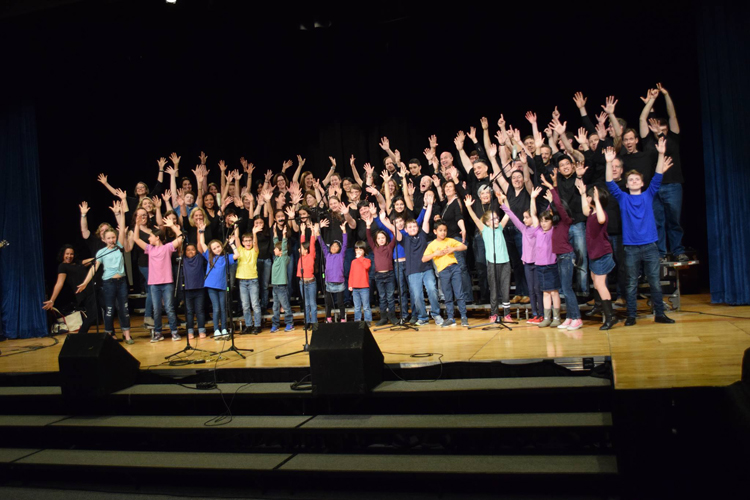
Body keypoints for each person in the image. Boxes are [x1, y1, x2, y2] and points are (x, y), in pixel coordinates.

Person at [605, 142, 676, 326]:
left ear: (642, 183)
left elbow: (658, 176)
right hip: (631, 248)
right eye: (631, 180)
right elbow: (609, 182)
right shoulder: (623, 197)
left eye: (637, 180)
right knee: (630, 284)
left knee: (655, 282)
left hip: (650, 246)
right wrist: (608, 163)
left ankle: (659, 314)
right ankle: (631, 316)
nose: (634, 182)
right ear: (627, 185)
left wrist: (661, 154)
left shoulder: (648, 194)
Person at [639, 83, 688, 262]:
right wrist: (651, 101)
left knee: (674, 220)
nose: (659, 130)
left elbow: (672, 115)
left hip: (673, 184)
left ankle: (677, 250)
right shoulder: (648, 142)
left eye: (663, 128)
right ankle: (660, 253)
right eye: (657, 128)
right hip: (654, 186)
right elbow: (642, 120)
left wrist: (666, 95)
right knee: (657, 221)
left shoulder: (672, 139)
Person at [76, 202, 133, 343]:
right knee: (108, 310)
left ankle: (127, 335)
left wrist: (119, 214)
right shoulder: (100, 250)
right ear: (102, 237)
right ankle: (109, 335)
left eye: (112, 236)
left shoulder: (118, 246)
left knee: (124, 310)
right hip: (107, 283)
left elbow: (122, 230)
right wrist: (84, 283)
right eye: (107, 236)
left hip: (121, 282)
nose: (111, 239)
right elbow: (93, 268)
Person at [541, 173, 583, 331]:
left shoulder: (566, 221)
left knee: (567, 289)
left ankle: (577, 318)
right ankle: (570, 317)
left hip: (566, 256)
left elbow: (558, 206)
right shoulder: (556, 225)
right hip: (560, 257)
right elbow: (553, 208)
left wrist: (552, 188)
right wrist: (553, 194)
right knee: (564, 289)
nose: (552, 212)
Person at [395, 192, 444, 326]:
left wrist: (429, 205)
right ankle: (422, 317)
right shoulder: (404, 239)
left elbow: (426, 219)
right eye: (410, 227)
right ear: (406, 229)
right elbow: (393, 229)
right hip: (413, 271)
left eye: (414, 226)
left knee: (432, 290)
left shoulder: (422, 235)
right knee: (416, 295)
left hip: (426, 269)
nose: (412, 228)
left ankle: (436, 314)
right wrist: (384, 220)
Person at [133, 217, 183, 342]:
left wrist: (172, 226)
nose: (149, 238)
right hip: (154, 284)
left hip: (167, 283)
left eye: (150, 236)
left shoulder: (167, 248)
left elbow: (181, 238)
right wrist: (137, 226)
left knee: (169, 308)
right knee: (156, 309)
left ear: (157, 237)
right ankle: (158, 333)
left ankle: (174, 332)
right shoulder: (149, 249)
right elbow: (135, 239)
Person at [577, 179, 618, 330]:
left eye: (590, 197)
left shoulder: (601, 213)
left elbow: (601, 219)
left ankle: (610, 316)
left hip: (602, 253)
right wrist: (582, 194)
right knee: (596, 281)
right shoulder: (591, 213)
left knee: (600, 284)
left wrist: (596, 200)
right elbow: (584, 210)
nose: (588, 199)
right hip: (594, 254)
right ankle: (602, 308)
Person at [465, 194, 511, 323]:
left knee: (505, 288)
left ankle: (507, 314)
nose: (496, 221)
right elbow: (474, 218)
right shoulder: (484, 230)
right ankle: (494, 313)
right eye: (492, 219)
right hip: (492, 263)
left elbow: (508, 213)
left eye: (496, 218)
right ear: (486, 222)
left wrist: (504, 200)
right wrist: (469, 207)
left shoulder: (500, 227)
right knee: (494, 290)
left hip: (505, 262)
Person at [500, 191, 543, 324]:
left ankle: (541, 314)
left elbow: (534, 214)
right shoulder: (524, 229)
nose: (524, 219)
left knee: (537, 289)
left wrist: (532, 198)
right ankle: (535, 314)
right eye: (523, 217)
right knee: (531, 290)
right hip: (527, 264)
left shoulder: (537, 229)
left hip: (537, 263)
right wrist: (503, 204)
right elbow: (512, 217)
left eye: (526, 217)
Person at [422, 221, 469, 327]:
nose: (443, 233)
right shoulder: (432, 245)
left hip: (454, 268)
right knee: (447, 295)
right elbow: (424, 259)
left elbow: (464, 247)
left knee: (459, 293)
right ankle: (450, 318)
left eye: (444, 230)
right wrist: (435, 254)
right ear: (435, 232)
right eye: (440, 230)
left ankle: (463, 317)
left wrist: (454, 248)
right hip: (443, 271)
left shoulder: (450, 241)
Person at [43, 245, 98, 334]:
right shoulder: (63, 266)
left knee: (95, 314)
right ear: (63, 255)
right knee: (93, 316)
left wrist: (101, 255)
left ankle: (82, 335)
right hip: (83, 293)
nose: (69, 256)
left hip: (92, 291)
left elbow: (93, 260)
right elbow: (59, 283)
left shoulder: (78, 263)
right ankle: (80, 335)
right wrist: (52, 300)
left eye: (71, 254)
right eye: (67, 254)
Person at [197, 217, 237, 339]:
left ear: (221, 246)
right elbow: (203, 244)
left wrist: (232, 244)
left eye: (218, 247)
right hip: (211, 286)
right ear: (211, 250)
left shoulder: (226, 257)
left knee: (223, 308)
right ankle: (216, 330)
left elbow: (237, 255)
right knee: (216, 308)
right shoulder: (209, 257)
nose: (217, 249)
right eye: (214, 248)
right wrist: (201, 232)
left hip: (223, 285)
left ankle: (224, 328)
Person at [528, 188, 562, 328]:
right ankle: (547, 317)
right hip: (540, 265)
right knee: (545, 293)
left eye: (546, 221)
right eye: (542, 221)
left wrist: (551, 202)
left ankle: (557, 317)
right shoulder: (538, 231)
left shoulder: (553, 230)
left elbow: (554, 213)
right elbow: (533, 215)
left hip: (551, 265)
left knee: (553, 291)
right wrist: (532, 198)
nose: (543, 223)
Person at [366, 211, 399, 326]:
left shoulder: (389, 247)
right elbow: (369, 237)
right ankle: (383, 318)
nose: (381, 239)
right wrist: (368, 226)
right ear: (376, 240)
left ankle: (392, 317)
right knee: (382, 297)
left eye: (383, 237)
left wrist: (388, 224)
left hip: (389, 275)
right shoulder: (374, 248)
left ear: (386, 239)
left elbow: (395, 236)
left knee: (390, 297)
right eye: (379, 238)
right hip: (379, 276)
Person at [318, 219, 348, 323]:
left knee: (340, 302)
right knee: (328, 303)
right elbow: (321, 243)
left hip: (339, 282)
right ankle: (328, 318)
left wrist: (344, 231)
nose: (334, 247)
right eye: (332, 245)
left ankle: (343, 318)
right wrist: (318, 230)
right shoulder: (327, 255)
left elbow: (345, 245)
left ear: (339, 249)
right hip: (329, 282)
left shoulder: (341, 256)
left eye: (336, 246)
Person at [233, 224, 262, 334]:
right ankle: (249, 325)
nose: (248, 242)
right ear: (243, 242)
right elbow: (236, 238)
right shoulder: (240, 250)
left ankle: (257, 325)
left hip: (253, 280)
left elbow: (255, 244)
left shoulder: (254, 251)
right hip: (242, 280)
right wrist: (236, 225)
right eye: (245, 241)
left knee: (255, 304)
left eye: (249, 240)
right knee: (245, 305)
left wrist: (254, 233)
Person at [270, 225, 294, 333]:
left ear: (280, 251)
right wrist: (275, 232)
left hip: (281, 286)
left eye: (275, 249)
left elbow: (283, 247)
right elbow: (276, 242)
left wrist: (284, 235)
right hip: (275, 286)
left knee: (285, 305)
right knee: (275, 307)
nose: (274, 249)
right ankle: (275, 324)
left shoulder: (284, 259)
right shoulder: (276, 259)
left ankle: (289, 323)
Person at [182, 243, 207, 339]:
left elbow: (199, 245)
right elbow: (180, 248)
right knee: (189, 311)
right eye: (188, 250)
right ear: (185, 252)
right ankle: (190, 331)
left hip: (199, 289)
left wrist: (199, 230)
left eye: (193, 249)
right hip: (187, 290)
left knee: (199, 310)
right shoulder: (183, 260)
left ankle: (201, 330)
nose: (190, 251)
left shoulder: (199, 258)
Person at [297, 221, 318, 328]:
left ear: (306, 250)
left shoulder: (310, 256)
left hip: (311, 283)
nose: (299, 249)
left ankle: (314, 322)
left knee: (313, 303)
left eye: (301, 248)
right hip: (302, 283)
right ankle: (307, 322)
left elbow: (312, 244)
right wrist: (303, 231)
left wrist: (312, 232)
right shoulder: (301, 257)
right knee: (306, 304)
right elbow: (302, 241)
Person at [349, 241, 373, 325]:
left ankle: (367, 321)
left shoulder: (367, 260)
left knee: (366, 306)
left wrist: (360, 258)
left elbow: (367, 267)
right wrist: (350, 285)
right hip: (355, 288)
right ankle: (357, 321)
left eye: (360, 250)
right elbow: (351, 274)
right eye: (357, 250)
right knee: (357, 307)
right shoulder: (353, 262)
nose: (358, 251)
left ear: (364, 251)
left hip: (364, 287)